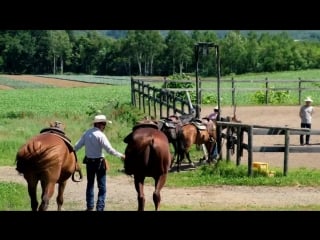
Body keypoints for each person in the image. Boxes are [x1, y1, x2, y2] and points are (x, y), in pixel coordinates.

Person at [74, 114, 125, 211]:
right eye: (104, 124)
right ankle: (100, 208)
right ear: (100, 124)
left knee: (90, 185)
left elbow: (76, 146)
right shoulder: (101, 135)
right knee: (102, 187)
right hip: (100, 163)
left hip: (89, 163)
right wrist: (121, 155)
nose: (104, 126)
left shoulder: (87, 133)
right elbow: (109, 150)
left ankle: (89, 206)